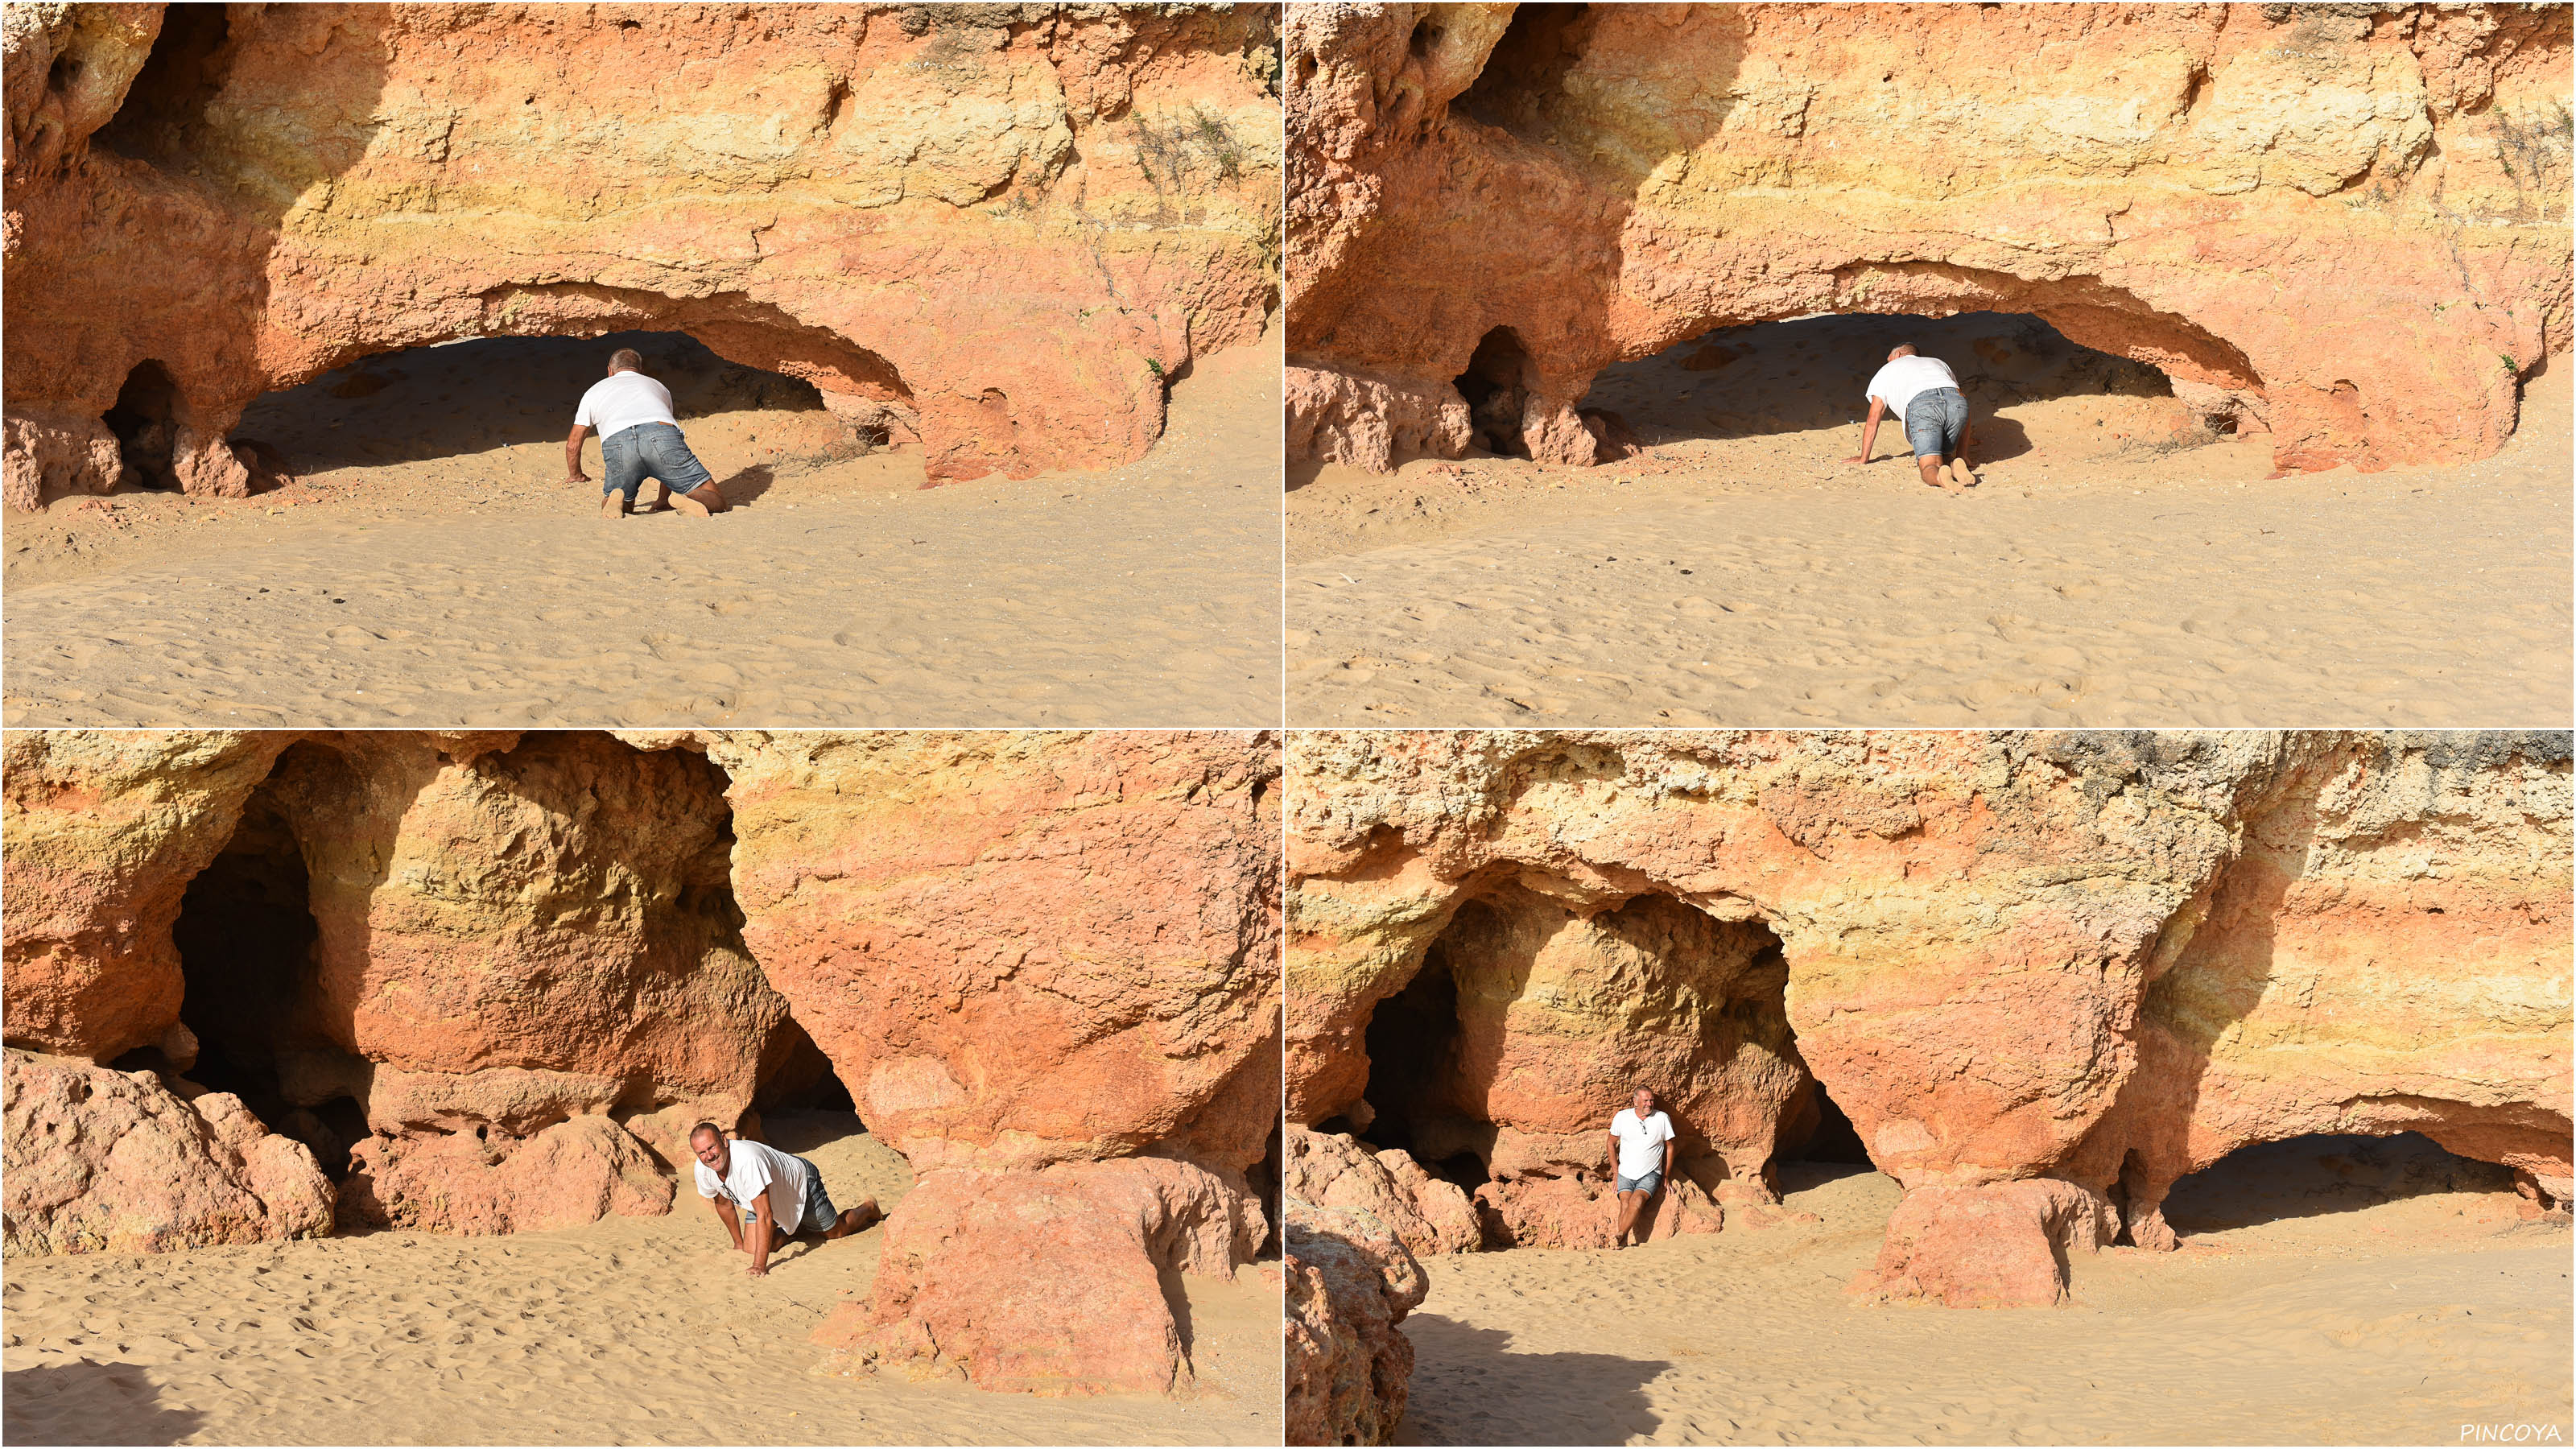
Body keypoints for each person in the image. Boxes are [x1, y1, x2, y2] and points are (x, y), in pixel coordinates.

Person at [687, 1122, 878, 1278]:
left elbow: (765, 1214)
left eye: (711, 1147)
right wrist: (738, 1243)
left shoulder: (748, 1161)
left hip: (799, 1186)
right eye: (701, 1152)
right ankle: (796, 1228)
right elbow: (723, 1203)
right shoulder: (703, 1169)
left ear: (724, 1140)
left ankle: (869, 1208)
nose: (709, 1156)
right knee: (750, 1248)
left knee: (837, 1231)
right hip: (766, 1199)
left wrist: (759, 1266)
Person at [564, 348, 731, 518]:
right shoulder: (658, 386)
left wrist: (576, 475)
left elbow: (573, 444)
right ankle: (689, 499)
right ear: (640, 369)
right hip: (661, 434)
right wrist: (664, 499)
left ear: (609, 370)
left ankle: (618, 504)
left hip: (619, 441)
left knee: (621, 500)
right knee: (715, 498)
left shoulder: (594, 391)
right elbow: (666, 441)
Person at [1845, 344, 1976, 491]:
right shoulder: (1937, 362)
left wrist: (1864, 458)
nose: (1888, 362)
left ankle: (1940, 478)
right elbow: (1961, 398)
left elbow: (1873, 418)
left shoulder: (1887, 369)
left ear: (1898, 355)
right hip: (1957, 403)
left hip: (1923, 404)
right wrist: (1963, 453)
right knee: (1944, 455)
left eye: (1889, 359)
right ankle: (1957, 463)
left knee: (1929, 465)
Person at [1606, 1086, 1677, 1250]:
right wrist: (1616, 1172)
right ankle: (1621, 1242)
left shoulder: (1662, 1118)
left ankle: (1619, 1234)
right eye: (1645, 1100)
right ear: (1635, 1101)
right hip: (1625, 1173)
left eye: (1651, 1100)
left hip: (1650, 1173)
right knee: (1625, 1202)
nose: (1649, 1104)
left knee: (1637, 1200)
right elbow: (1611, 1143)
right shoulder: (1622, 1117)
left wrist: (1666, 1175)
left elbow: (1671, 1147)